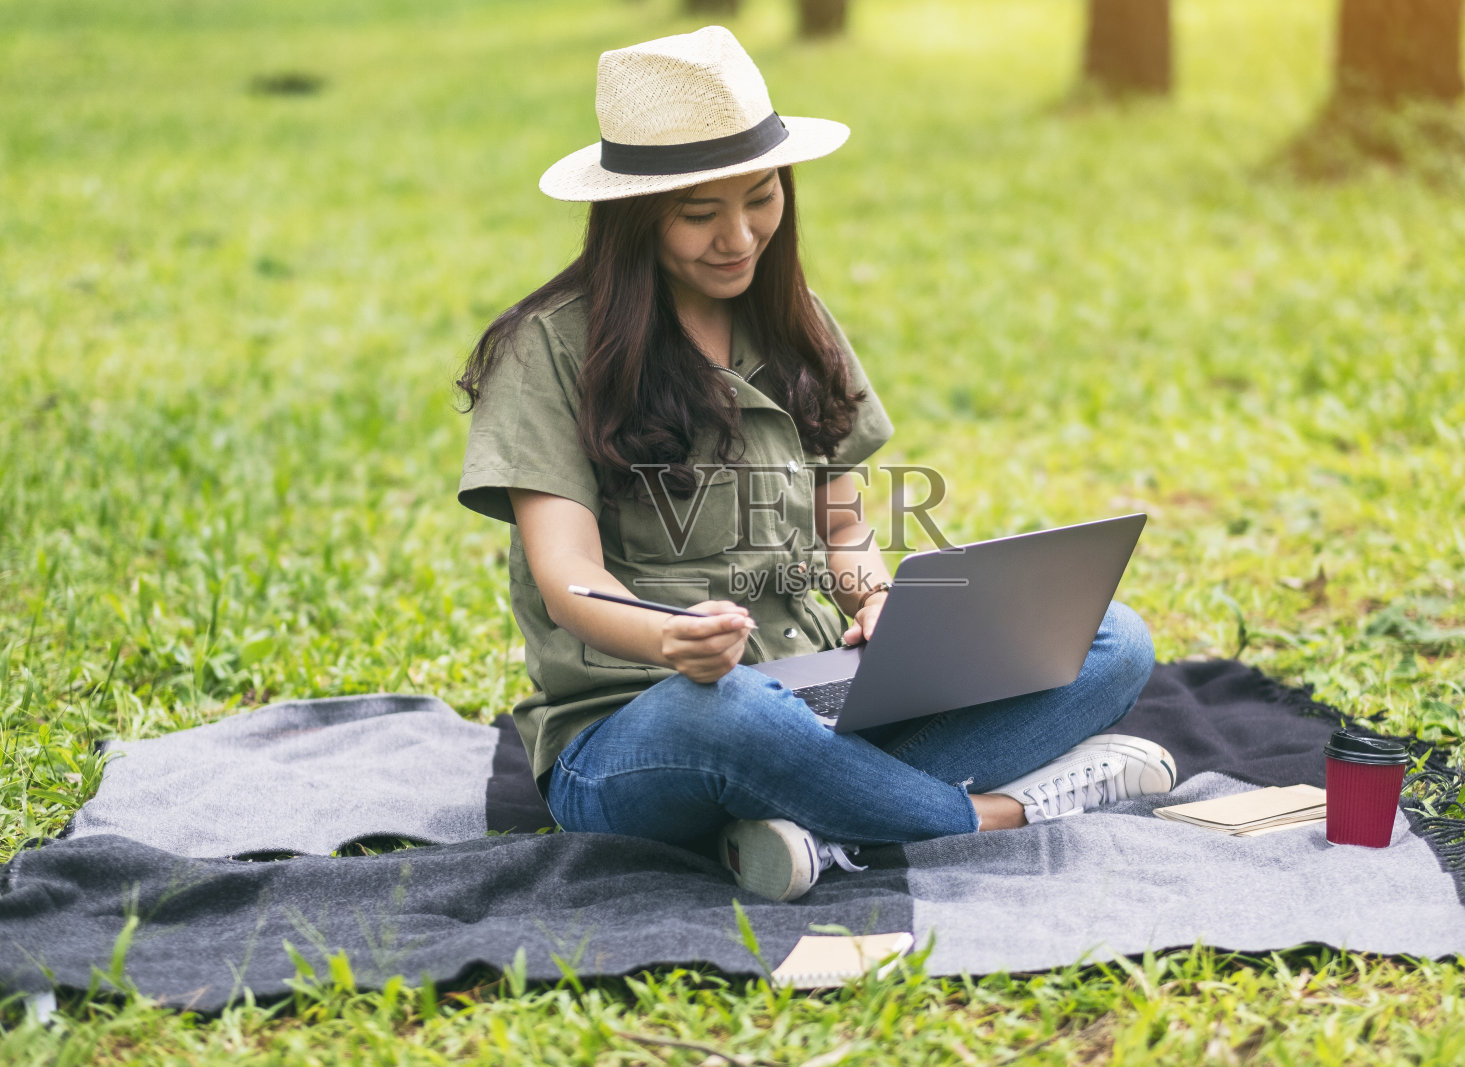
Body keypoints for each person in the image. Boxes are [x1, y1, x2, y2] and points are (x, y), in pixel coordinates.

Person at [457, 26, 1171, 903]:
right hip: (647, 725)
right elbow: (569, 576)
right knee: (735, 711)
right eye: (699, 214)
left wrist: (876, 600)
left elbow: (842, 526)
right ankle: (994, 815)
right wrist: (669, 636)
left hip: (821, 696)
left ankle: (816, 821)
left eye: (761, 198)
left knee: (1109, 637)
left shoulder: (797, 322)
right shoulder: (548, 351)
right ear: (634, 215)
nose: (739, 237)